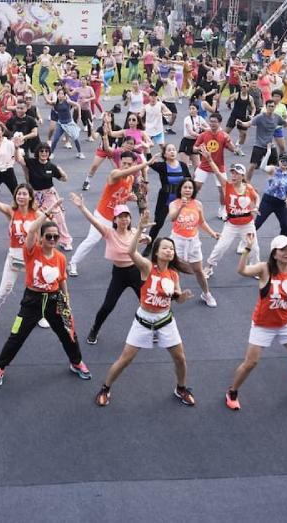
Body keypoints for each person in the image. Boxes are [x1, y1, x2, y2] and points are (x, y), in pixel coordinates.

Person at [94, 211, 196, 407]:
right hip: (143, 321)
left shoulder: (174, 275)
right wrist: (140, 228)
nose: (169, 251)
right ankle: (105, 387)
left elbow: (176, 297)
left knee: (180, 358)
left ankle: (181, 388)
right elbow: (131, 253)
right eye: (165, 248)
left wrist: (181, 297)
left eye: (171, 249)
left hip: (165, 321)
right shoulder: (147, 268)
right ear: (156, 252)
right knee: (125, 359)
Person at [0, 203, 92, 387]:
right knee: (17, 335)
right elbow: (31, 231)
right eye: (49, 236)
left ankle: (76, 362)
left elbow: (62, 280)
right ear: (41, 238)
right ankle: (0, 367)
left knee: (69, 334)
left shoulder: (60, 257)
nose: (53, 239)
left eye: (56, 236)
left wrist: (66, 300)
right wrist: (47, 211)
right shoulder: (31, 251)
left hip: (56, 300)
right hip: (32, 301)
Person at [225, 233, 287, 410]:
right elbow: (242, 271)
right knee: (251, 363)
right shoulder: (264, 269)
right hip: (263, 326)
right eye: (283, 249)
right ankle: (232, 391)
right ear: (274, 253)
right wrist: (246, 249)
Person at [70, 194, 153, 343]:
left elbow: (146, 239)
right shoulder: (109, 233)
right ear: (114, 219)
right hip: (119, 274)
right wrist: (82, 207)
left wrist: (148, 239)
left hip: (136, 272)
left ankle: (152, 329)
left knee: (146, 302)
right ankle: (95, 329)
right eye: (120, 217)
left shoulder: (134, 231)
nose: (124, 219)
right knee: (108, 305)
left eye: (127, 216)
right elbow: (93, 221)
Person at [69, 151, 146, 277]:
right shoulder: (114, 174)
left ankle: (131, 263)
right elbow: (122, 177)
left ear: (134, 164)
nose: (126, 166)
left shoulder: (131, 178)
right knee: (92, 240)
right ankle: (73, 262)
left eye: (129, 164)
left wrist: (129, 197)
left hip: (117, 218)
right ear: (119, 162)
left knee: (127, 240)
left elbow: (120, 196)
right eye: (124, 163)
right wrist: (146, 164)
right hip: (102, 215)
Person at [0, 184, 39, 329]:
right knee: (5, 288)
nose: (21, 197)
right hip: (15, 257)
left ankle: (41, 314)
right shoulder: (11, 211)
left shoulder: (37, 214)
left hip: (32, 257)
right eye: (19, 194)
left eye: (24, 194)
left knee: (39, 289)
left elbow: (47, 229)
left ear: (30, 197)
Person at [202, 159, 260, 278]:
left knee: (254, 248)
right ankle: (209, 267)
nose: (233, 175)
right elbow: (217, 172)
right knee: (220, 247)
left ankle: (255, 268)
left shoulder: (248, 187)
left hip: (247, 224)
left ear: (242, 175)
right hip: (231, 224)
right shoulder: (227, 186)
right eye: (232, 173)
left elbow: (257, 196)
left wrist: (256, 207)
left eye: (236, 173)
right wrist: (209, 160)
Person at [168, 178, 220, 307]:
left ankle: (206, 294)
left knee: (198, 270)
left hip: (193, 241)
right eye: (185, 187)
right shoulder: (174, 204)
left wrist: (212, 233)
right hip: (177, 241)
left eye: (190, 188)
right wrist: (181, 206)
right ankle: (175, 295)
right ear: (180, 189)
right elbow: (172, 218)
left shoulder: (198, 204)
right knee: (174, 270)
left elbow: (201, 222)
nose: (187, 190)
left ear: (193, 190)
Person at [253, 152, 287, 237]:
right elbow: (262, 167)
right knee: (257, 224)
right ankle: (244, 242)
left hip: (281, 204)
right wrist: (268, 153)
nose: (284, 163)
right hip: (268, 202)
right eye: (282, 161)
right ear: (279, 161)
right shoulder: (273, 169)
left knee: (285, 225)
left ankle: (282, 245)